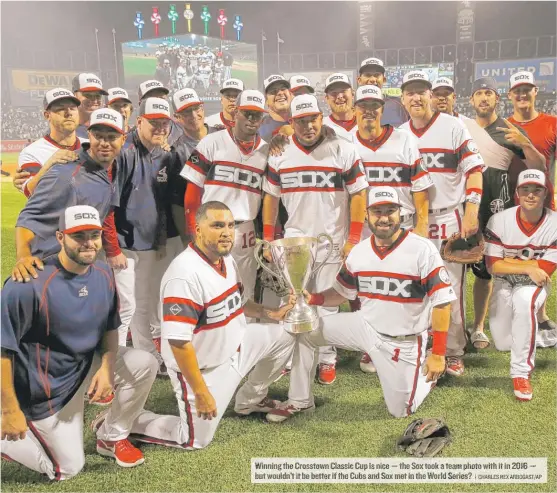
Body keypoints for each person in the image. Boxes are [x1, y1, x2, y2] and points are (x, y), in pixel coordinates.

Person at [116, 201, 296, 450]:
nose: (227, 232)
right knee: (195, 440)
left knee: (284, 335)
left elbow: (240, 302)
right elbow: (179, 343)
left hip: (237, 349)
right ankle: (129, 420)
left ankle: (250, 399)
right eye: (218, 225)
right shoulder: (184, 274)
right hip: (203, 369)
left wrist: (271, 312)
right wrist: (200, 392)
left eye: (231, 226)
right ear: (198, 229)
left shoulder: (226, 260)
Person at [265, 187, 455, 422]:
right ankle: (300, 401)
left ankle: (428, 378)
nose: (384, 218)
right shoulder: (360, 251)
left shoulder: (422, 249)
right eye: (377, 211)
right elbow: (341, 292)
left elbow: (442, 302)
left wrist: (438, 353)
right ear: (366, 215)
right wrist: (312, 298)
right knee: (306, 332)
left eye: (390, 211)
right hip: (364, 326)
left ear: (401, 213)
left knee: (401, 410)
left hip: (403, 341)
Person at [1, 205, 159, 477]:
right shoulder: (28, 284)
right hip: (45, 388)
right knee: (68, 468)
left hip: (81, 367)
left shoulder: (103, 273)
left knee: (144, 363)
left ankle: (111, 435)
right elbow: (4, 350)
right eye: (79, 235)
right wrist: (9, 410)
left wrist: (107, 369)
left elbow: (110, 327)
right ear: (60, 237)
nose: (89, 243)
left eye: (94, 235)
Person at [262, 94, 368, 385]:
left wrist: (354, 237)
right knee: (292, 302)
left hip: (331, 239)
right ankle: (290, 357)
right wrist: (270, 238)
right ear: (291, 122)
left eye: (313, 119)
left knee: (327, 305)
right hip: (295, 241)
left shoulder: (342, 148)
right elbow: (270, 197)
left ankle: (327, 359)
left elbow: (359, 193)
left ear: (322, 118)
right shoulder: (280, 151)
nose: (308, 126)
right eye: (301, 121)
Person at [399, 70, 485, 377]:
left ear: (431, 96)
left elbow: (474, 170)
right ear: (403, 99)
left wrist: (472, 209)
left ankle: (453, 349)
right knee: (415, 289)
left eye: (422, 91)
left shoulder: (453, 126)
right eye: (410, 92)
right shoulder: (400, 134)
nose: (417, 97)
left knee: (451, 288)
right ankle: (422, 345)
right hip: (411, 221)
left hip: (449, 216)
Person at [352, 84, 433, 373]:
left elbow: (421, 188)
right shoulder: (346, 142)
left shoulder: (404, 140)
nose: (369, 111)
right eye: (363, 106)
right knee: (369, 290)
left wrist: (422, 227)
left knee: (410, 290)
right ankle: (372, 345)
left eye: (374, 106)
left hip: (402, 225)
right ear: (355, 109)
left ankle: (416, 341)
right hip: (365, 228)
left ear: (383, 108)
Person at [466, 77, 546, 350]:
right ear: (472, 100)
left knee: (490, 273)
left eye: (489, 93)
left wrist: (526, 144)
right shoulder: (462, 128)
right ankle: (457, 325)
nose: (484, 98)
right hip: (466, 205)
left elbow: (539, 165)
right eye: (479, 94)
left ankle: (480, 327)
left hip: (498, 207)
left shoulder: (508, 130)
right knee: (457, 269)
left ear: (496, 99)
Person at [106, 98, 182, 375]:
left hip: (149, 242)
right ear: (139, 122)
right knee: (126, 307)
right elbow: (109, 204)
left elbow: (162, 202)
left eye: (164, 123)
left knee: (145, 302)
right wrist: (112, 248)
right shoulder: (124, 152)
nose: (160, 127)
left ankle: (146, 358)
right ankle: (115, 365)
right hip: (124, 244)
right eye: (154, 122)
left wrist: (161, 237)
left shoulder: (165, 154)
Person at [12, 109, 126, 284]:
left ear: (123, 140)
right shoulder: (65, 175)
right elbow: (28, 218)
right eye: (98, 136)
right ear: (89, 136)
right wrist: (23, 256)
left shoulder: (113, 167)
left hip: (79, 265)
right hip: (49, 269)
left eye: (111, 137)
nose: (104, 143)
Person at [181, 90, 269, 301]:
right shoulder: (211, 142)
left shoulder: (267, 151)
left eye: (256, 115)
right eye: (246, 113)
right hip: (212, 227)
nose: (251, 119)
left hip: (245, 230)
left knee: (245, 292)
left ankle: (244, 332)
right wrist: (194, 232)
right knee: (210, 294)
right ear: (236, 112)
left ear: (262, 118)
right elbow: (192, 196)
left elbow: (268, 200)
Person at [485, 169, 557, 401]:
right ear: (517, 193)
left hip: (533, 284)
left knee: (524, 303)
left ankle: (521, 373)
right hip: (505, 281)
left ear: (545, 194)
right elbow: (493, 267)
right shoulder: (499, 220)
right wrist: (527, 266)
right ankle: (546, 337)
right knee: (503, 342)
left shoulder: (554, 223)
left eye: (537, 189)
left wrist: (511, 262)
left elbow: (544, 270)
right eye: (525, 189)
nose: (531, 194)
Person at [507, 71, 557, 335]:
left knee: (543, 258)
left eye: (527, 89)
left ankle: (540, 312)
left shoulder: (552, 123)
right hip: (510, 203)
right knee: (509, 257)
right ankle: (511, 312)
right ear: (510, 95)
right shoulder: (502, 126)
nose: (522, 95)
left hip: (544, 201)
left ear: (536, 92)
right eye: (518, 90)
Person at [12, 88, 81, 198]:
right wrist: (49, 165)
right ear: (47, 115)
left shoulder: (91, 145)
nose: (68, 113)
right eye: (60, 109)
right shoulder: (31, 152)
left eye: (72, 108)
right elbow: (31, 192)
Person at [357, 57, 409, 127]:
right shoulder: (350, 106)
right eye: (367, 75)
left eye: (377, 75)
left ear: (384, 80)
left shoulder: (400, 104)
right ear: (359, 80)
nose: (372, 79)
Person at [72, 73, 108, 143]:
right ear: (74, 96)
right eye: (88, 95)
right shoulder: (64, 130)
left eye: (98, 96)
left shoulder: (109, 128)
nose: (94, 100)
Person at [322, 73, 357, 141]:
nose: (340, 96)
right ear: (327, 98)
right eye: (334, 93)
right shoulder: (320, 128)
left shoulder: (365, 124)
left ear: (352, 94)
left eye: (343, 91)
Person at [259, 75, 293, 142]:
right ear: (266, 100)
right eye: (273, 91)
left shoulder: (302, 120)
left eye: (283, 89)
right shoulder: (260, 128)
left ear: (290, 94)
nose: (280, 93)